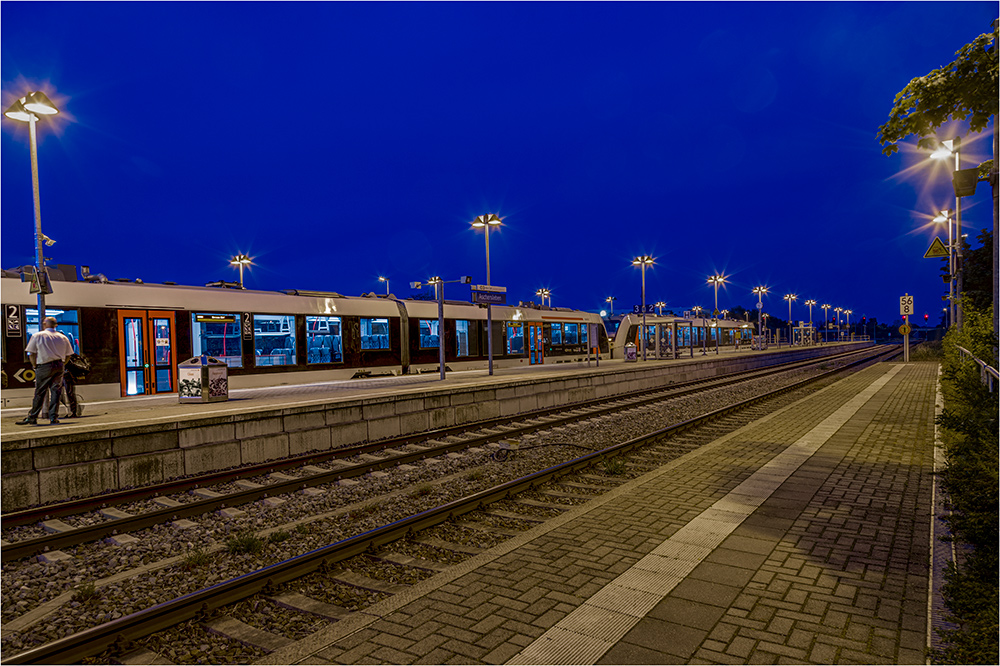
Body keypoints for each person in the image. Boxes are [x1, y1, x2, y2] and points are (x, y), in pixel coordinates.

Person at [16, 316, 75, 425]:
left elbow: (31, 353)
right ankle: (53, 417)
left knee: (40, 392)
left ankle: (32, 417)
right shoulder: (63, 337)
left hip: (44, 366)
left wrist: (35, 365)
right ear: (56, 325)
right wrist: (62, 364)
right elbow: (69, 355)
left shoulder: (37, 336)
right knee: (56, 392)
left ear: (44, 324)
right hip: (59, 366)